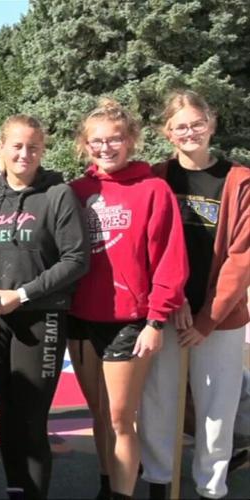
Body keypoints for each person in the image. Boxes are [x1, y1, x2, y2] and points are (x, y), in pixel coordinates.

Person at [0, 115, 89, 499]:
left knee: (31, 419)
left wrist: (25, 294)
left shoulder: (58, 194)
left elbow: (76, 259)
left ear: (42, 150)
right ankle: (16, 489)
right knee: (7, 413)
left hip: (41, 318)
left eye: (33, 146)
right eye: (16, 145)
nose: (24, 154)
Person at [68, 98, 188, 500]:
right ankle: (108, 483)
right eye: (97, 141)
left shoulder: (153, 189)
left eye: (115, 139)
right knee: (99, 415)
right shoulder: (75, 190)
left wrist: (156, 321)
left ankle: (123, 493)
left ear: (131, 140)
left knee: (121, 418)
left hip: (129, 321)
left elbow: (170, 260)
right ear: (84, 145)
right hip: (82, 318)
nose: (106, 148)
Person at [139, 90, 250, 500]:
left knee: (216, 407)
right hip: (165, 311)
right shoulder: (157, 176)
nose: (190, 132)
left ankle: (211, 485)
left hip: (219, 318)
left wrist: (207, 318)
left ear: (212, 124)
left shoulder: (239, 181)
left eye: (197, 124)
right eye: (180, 126)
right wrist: (172, 301)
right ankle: (157, 477)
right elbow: (148, 247)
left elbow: (241, 259)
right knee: (158, 399)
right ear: (168, 132)